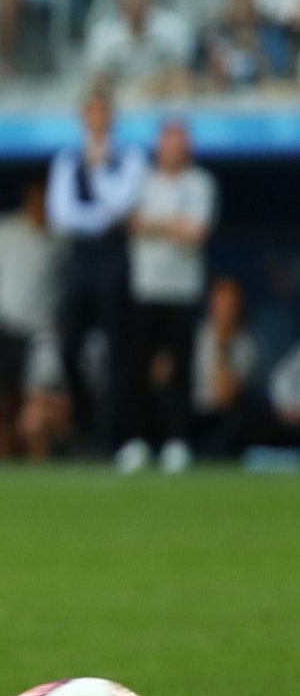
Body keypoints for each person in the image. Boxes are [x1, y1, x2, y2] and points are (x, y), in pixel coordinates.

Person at [46, 86, 149, 459]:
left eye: (102, 112)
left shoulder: (128, 156)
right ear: (82, 118)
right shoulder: (67, 159)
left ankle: (117, 438)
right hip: (81, 259)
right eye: (90, 112)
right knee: (70, 346)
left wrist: (100, 170)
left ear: (112, 117)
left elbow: (122, 205)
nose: (97, 120)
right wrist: (100, 217)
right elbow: (61, 215)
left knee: (119, 352)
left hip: (114, 258)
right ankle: (85, 427)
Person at [121, 118, 214, 474]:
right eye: (168, 141)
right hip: (146, 288)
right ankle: (138, 441)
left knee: (180, 372)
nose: (173, 148)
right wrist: (173, 223)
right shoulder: (143, 178)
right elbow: (133, 223)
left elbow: (197, 232)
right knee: (139, 370)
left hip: (184, 290)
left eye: (180, 142)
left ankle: (177, 442)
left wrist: (157, 224)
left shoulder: (200, 183)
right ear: (159, 146)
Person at [0, 179, 62, 460]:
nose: (41, 205)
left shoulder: (61, 236)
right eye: (37, 198)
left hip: (41, 334)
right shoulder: (1, 229)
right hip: (4, 330)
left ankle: (38, 470)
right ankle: (2, 469)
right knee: (2, 406)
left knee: (37, 404)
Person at [191, 275, 259, 458]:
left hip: (217, 418)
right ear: (211, 305)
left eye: (231, 304)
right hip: (186, 414)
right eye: (221, 302)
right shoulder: (193, 337)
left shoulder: (246, 346)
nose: (226, 309)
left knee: (240, 416)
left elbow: (224, 398)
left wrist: (222, 346)